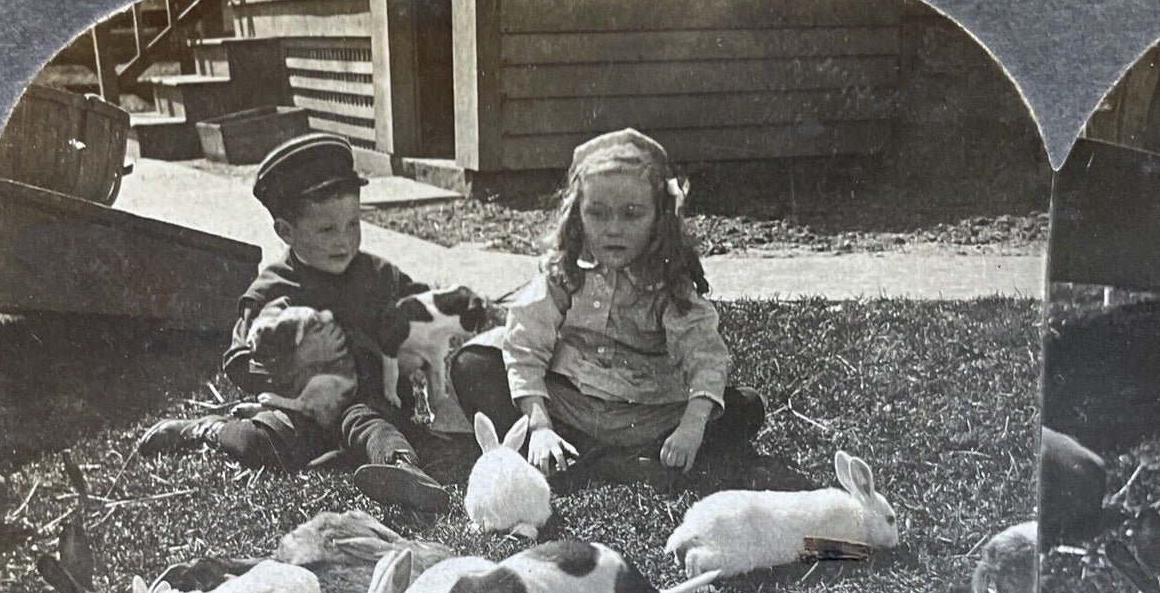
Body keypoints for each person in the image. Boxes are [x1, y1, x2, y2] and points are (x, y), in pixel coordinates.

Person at [139, 132, 448, 512]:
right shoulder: (274, 287)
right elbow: (239, 356)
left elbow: (423, 311)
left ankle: (401, 470)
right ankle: (212, 429)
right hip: (301, 408)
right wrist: (293, 362)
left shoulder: (375, 274)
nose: (345, 242)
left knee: (373, 425)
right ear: (286, 231)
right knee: (259, 442)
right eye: (327, 230)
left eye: (354, 224)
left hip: (365, 399)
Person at [450, 128, 765, 490]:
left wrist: (691, 427)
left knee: (743, 406)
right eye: (598, 213)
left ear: (659, 217)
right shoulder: (564, 270)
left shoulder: (669, 281)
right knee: (472, 364)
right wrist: (539, 426)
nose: (614, 229)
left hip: (645, 411)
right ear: (577, 215)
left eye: (632, 214)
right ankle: (584, 454)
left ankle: (595, 460)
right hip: (568, 402)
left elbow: (704, 356)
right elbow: (524, 343)